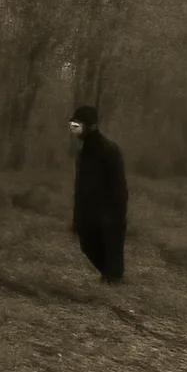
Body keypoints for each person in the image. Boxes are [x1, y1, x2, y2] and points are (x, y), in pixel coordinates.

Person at [69, 105, 128, 283]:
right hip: (88, 210)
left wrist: (117, 212)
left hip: (108, 209)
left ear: (91, 126)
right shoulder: (83, 151)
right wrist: (77, 215)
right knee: (87, 244)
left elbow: (118, 184)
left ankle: (113, 278)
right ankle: (109, 275)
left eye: (77, 125)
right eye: (72, 124)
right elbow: (81, 186)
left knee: (110, 246)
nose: (73, 129)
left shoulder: (109, 149)